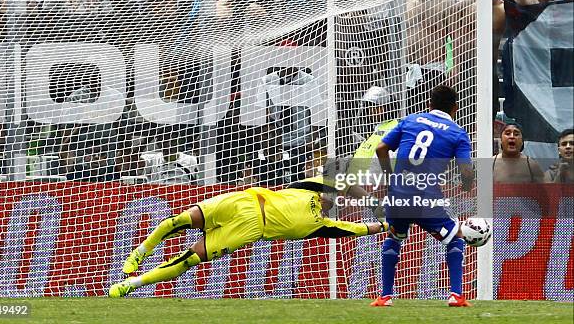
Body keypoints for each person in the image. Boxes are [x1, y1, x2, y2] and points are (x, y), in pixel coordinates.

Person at [108, 178, 390, 297]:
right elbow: (347, 185)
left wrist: (385, 224)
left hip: (250, 229)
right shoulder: (306, 188)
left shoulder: (322, 225)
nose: (331, 198)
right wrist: (372, 202)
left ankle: (132, 284)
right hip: (242, 201)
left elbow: (358, 230)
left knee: (189, 259)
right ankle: (141, 252)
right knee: (178, 220)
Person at [371, 85, 475, 307]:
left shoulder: (410, 120)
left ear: (429, 104)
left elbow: (380, 148)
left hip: (398, 194)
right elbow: (466, 171)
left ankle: (385, 296)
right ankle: (456, 295)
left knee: (394, 237)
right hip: (425, 197)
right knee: (454, 237)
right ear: (455, 108)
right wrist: (467, 185)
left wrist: (391, 178)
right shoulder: (457, 132)